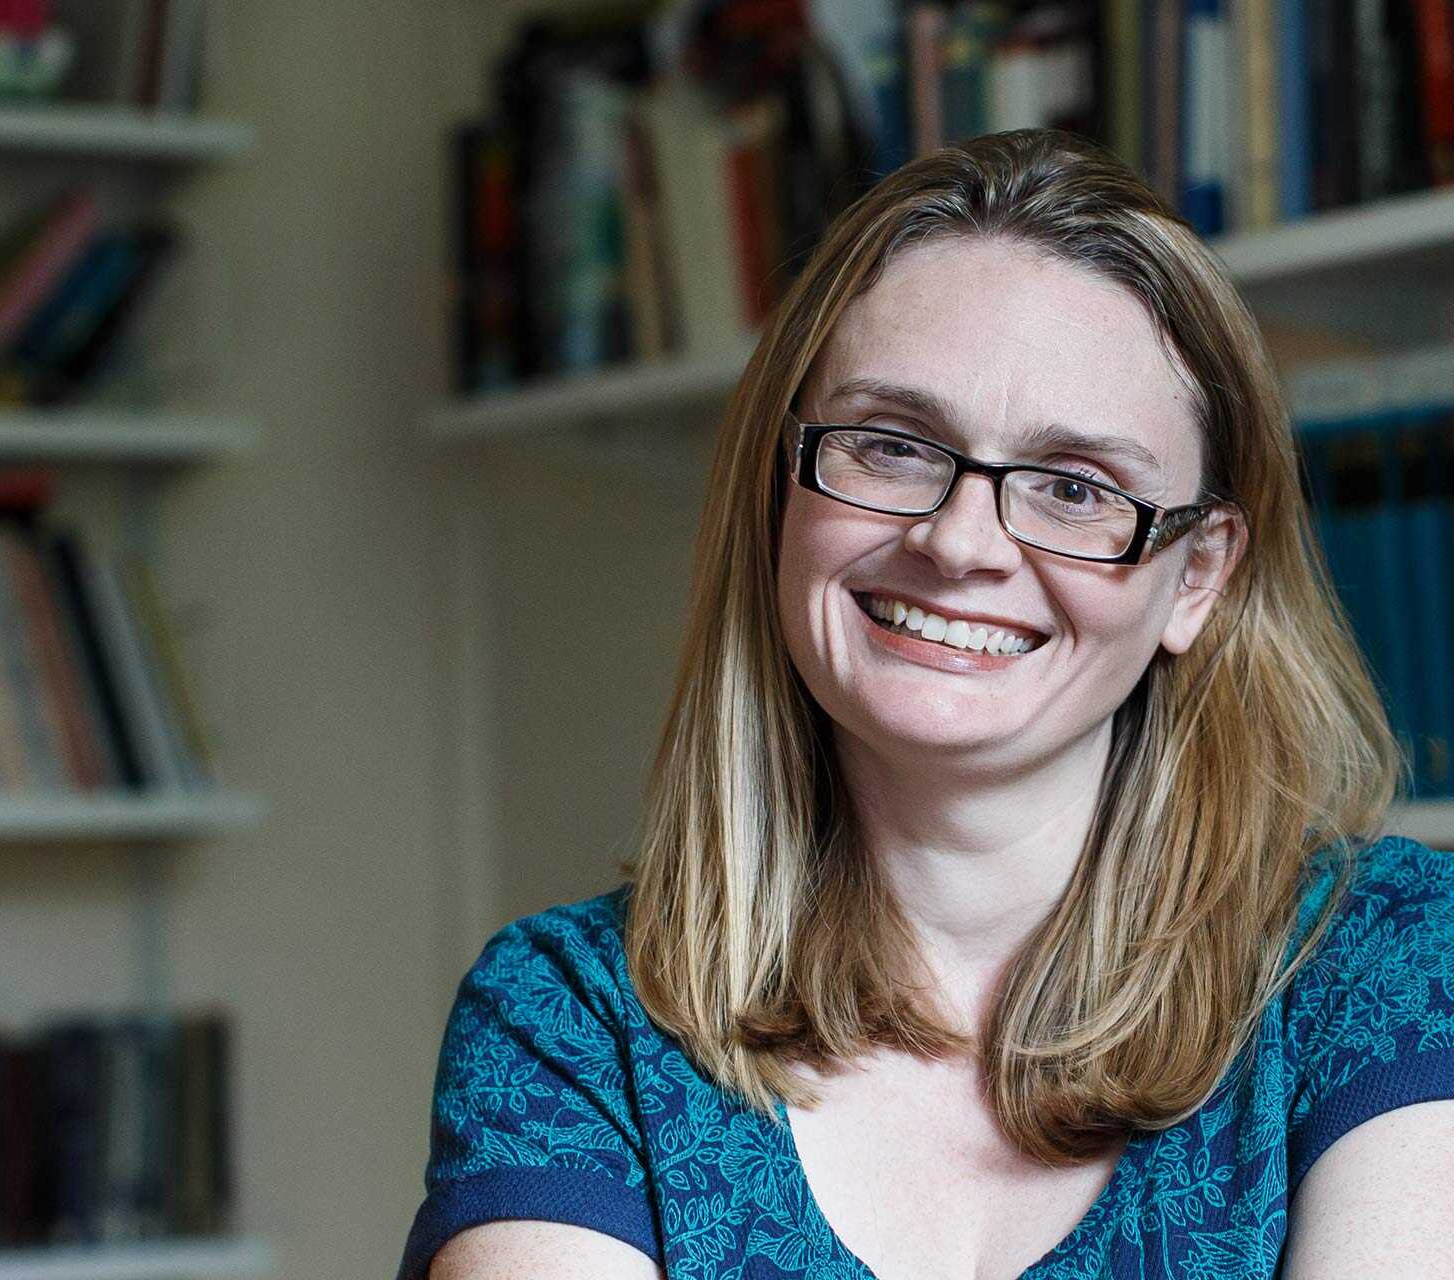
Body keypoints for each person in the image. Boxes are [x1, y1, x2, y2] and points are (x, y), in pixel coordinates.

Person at [396, 128, 1454, 1280]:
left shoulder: (1390, 959)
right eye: (893, 445)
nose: (959, 543)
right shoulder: (566, 1018)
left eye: (1073, 486)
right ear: (779, 492)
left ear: (1197, 575)